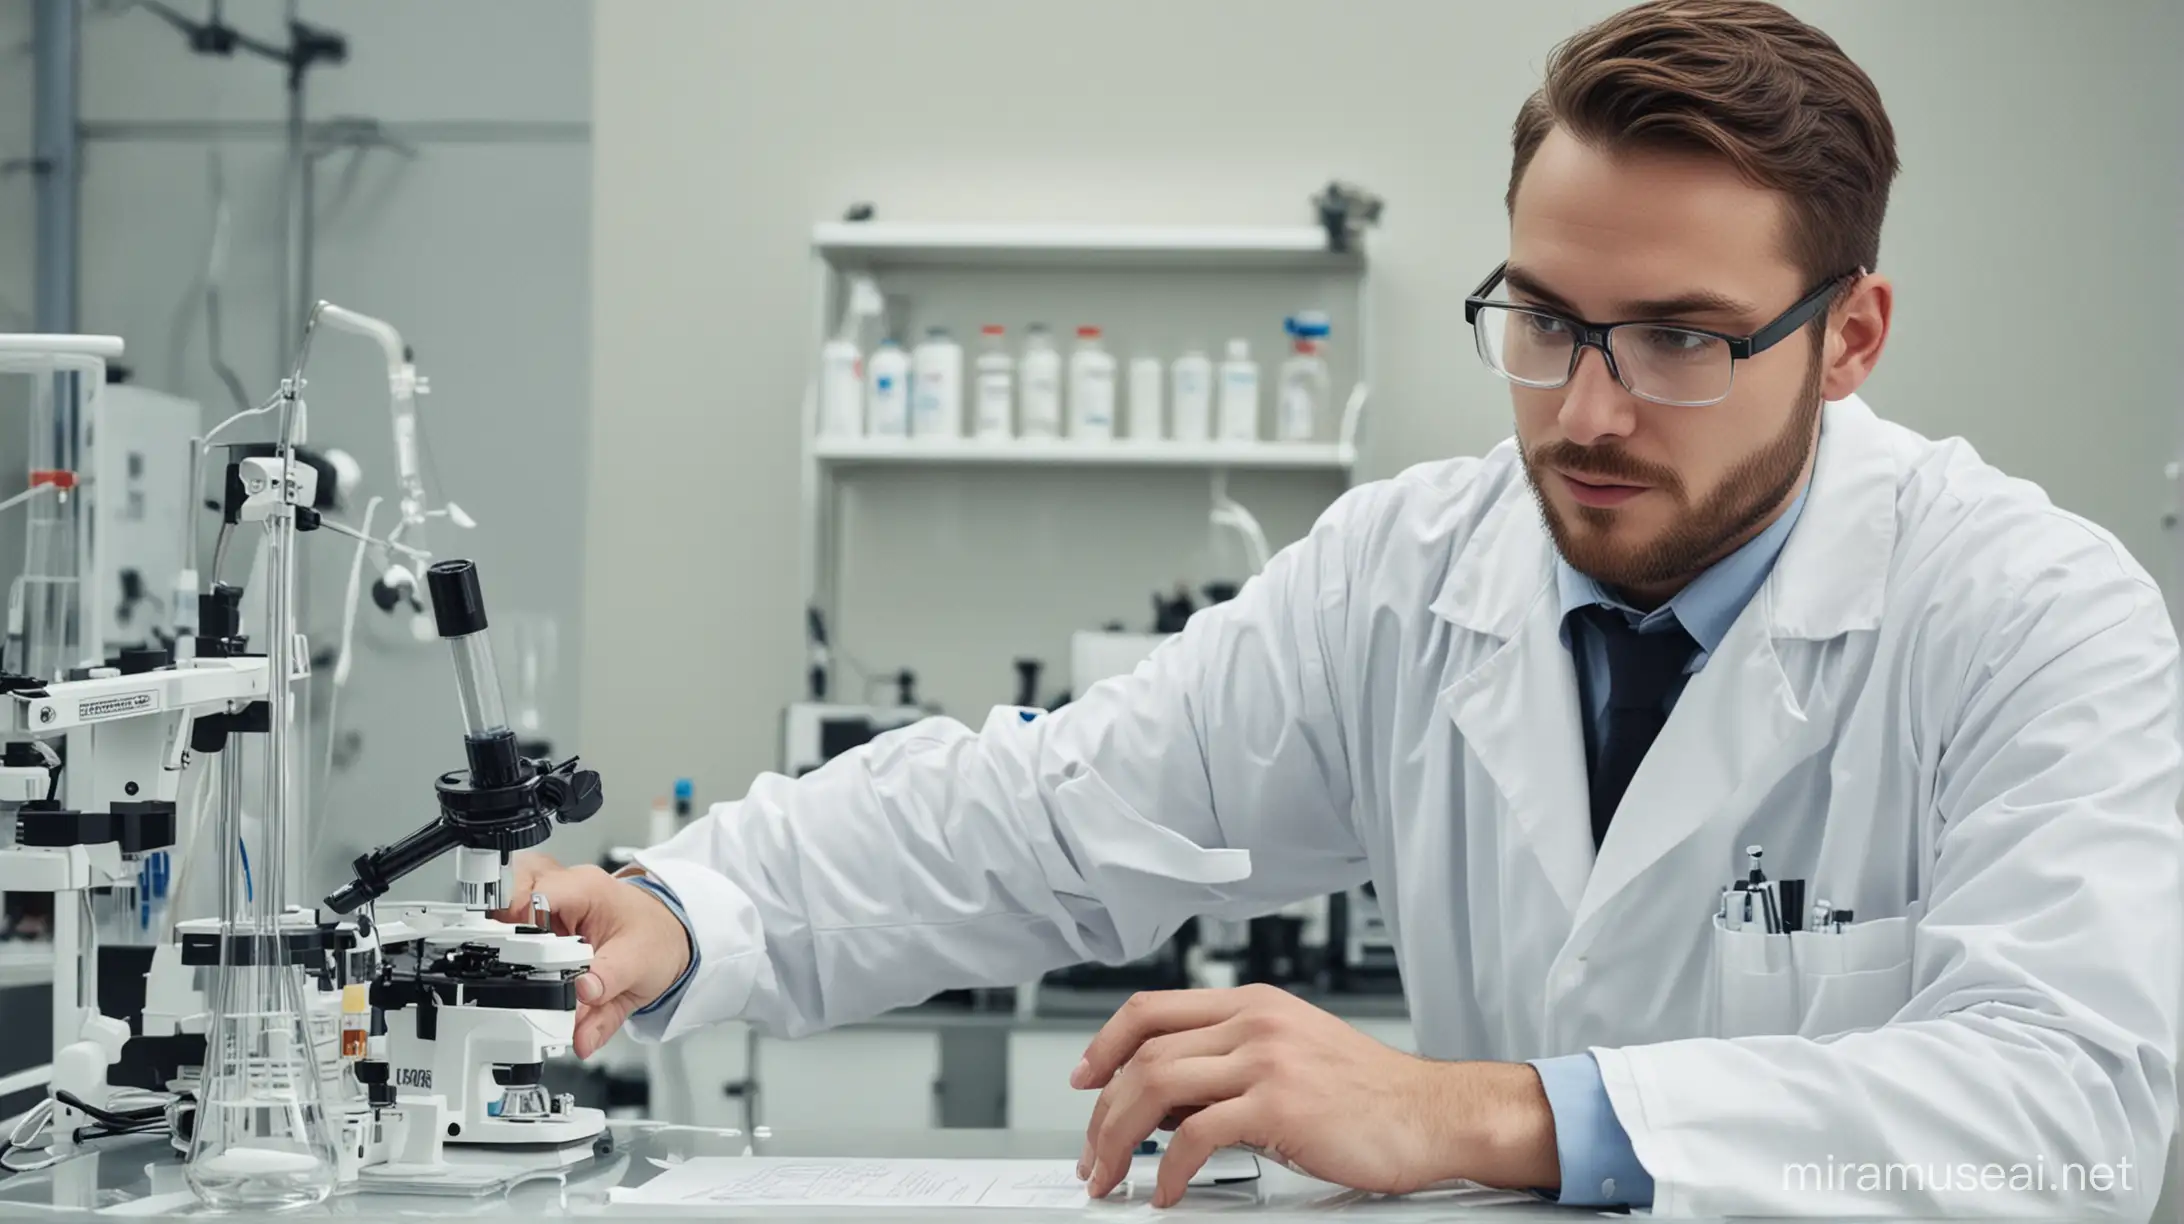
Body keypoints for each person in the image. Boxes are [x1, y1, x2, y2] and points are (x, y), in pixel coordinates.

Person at [504, 0, 2181, 1213]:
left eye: (1681, 340)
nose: (1585, 413)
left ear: (1853, 334)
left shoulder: (2028, 616)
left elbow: (2073, 1117)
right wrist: (701, 905)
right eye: (1542, 319)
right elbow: (1057, 813)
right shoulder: (1410, 570)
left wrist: (1491, 1113)